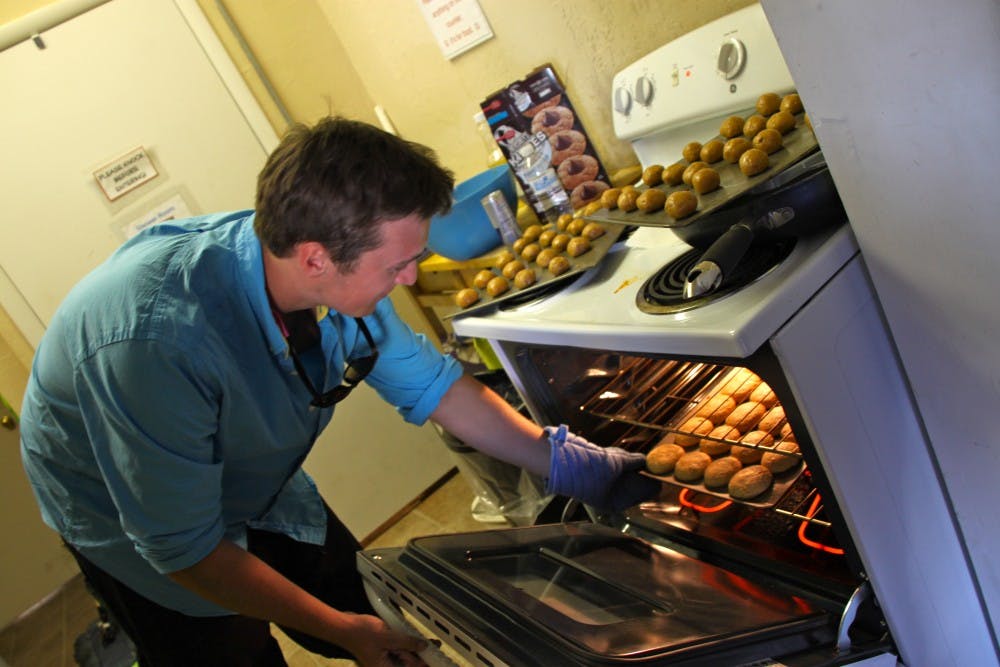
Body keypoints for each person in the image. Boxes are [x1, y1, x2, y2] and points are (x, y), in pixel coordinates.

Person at [19, 117, 656, 666]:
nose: (411, 279)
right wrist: (341, 632)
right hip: (126, 510)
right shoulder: (154, 343)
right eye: (398, 266)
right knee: (236, 646)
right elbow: (184, 548)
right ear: (316, 258)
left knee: (362, 598)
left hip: (250, 475)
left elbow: (437, 388)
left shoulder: (319, 275)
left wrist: (566, 462)